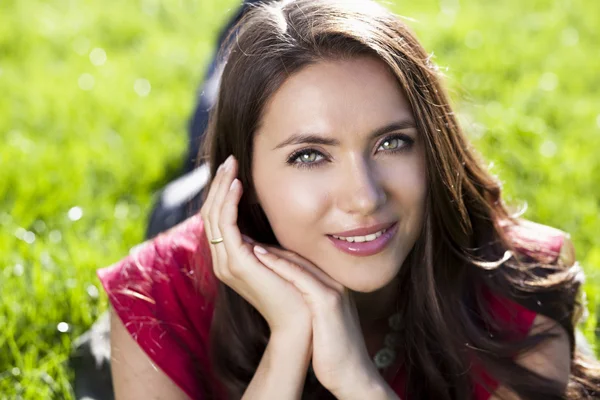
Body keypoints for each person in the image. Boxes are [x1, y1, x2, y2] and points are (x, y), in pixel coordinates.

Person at [96, 0, 600, 399]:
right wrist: (289, 340)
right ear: (245, 176)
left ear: (434, 146)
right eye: (311, 155)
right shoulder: (155, 291)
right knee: (202, 151)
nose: (363, 197)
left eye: (392, 142)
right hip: (204, 205)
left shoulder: (522, 276)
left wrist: (359, 383)